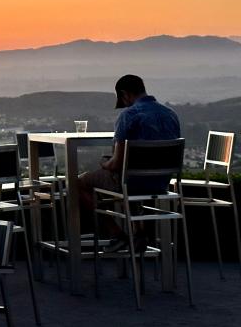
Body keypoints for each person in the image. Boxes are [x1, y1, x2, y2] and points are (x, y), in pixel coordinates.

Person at [77, 74, 181, 248]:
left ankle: (117, 234)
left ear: (125, 94)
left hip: (131, 183)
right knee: (127, 176)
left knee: (79, 183)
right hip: (161, 183)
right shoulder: (171, 114)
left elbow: (117, 164)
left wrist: (105, 164)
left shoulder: (129, 115)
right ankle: (139, 233)